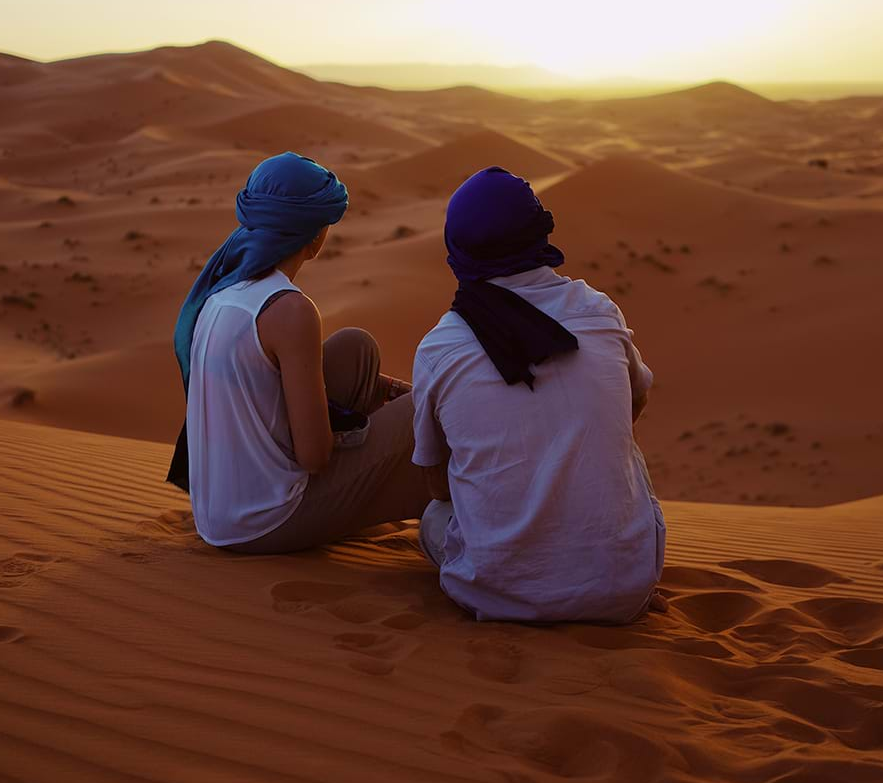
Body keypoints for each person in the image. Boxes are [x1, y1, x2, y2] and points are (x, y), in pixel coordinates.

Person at [411, 166, 665, 622]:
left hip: (493, 594)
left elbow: (436, 485)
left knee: (433, 518)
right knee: (626, 445)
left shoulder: (441, 345)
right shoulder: (598, 311)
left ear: (457, 246)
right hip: (624, 593)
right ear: (539, 231)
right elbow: (636, 403)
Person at [168, 152, 430, 553]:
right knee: (426, 411)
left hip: (218, 513)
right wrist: (371, 432)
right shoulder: (289, 310)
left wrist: (385, 394)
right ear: (314, 235)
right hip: (266, 520)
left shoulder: (224, 289)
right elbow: (314, 456)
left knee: (355, 349)